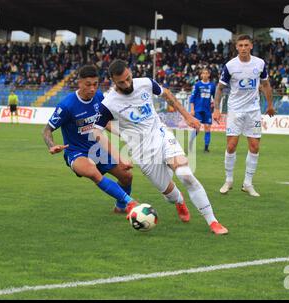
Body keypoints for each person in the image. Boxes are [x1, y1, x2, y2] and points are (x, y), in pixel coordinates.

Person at [93, 59, 228, 235]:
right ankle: (179, 201)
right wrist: (119, 157)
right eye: (121, 82)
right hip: (142, 153)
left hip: (162, 135)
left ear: (130, 72)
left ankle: (213, 222)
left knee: (185, 174)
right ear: (113, 81)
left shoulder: (145, 83)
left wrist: (187, 116)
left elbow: (166, 95)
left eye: (128, 78)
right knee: (170, 195)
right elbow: (96, 133)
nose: (127, 84)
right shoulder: (109, 103)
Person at [42, 65, 137, 213]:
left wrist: (123, 134)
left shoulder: (99, 98)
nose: (92, 89)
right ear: (79, 83)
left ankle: (120, 207)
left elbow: (104, 122)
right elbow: (47, 130)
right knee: (93, 173)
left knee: (127, 176)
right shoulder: (67, 105)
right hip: (76, 152)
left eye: (95, 84)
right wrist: (51, 145)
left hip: (98, 148)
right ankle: (131, 202)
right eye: (88, 85)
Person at [213, 34, 275, 197]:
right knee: (231, 146)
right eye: (240, 45)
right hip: (235, 110)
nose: (243, 48)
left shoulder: (259, 63)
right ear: (236, 47)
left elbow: (266, 85)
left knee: (254, 146)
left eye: (246, 45)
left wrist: (270, 105)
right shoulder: (230, 65)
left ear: (251, 46)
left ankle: (248, 183)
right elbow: (220, 88)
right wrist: (217, 109)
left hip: (253, 110)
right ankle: (228, 180)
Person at [189, 68, 216, 152]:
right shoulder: (197, 85)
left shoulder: (212, 85)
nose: (204, 75)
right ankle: (191, 143)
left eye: (206, 73)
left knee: (207, 128)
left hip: (207, 110)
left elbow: (215, 97)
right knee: (197, 127)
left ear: (209, 75)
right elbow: (192, 98)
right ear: (201, 75)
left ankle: (206, 148)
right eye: (203, 73)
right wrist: (192, 109)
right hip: (198, 109)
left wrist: (214, 105)